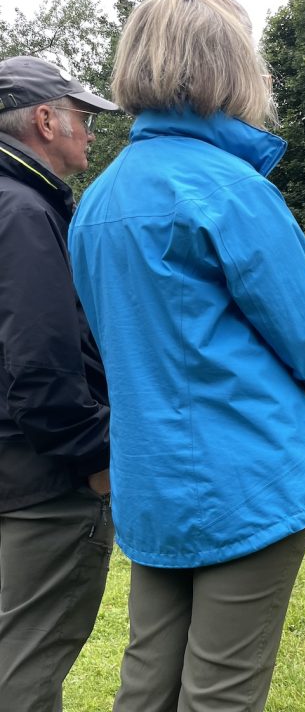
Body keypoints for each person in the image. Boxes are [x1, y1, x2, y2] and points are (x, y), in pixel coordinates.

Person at [67, 0, 305, 711]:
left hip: (153, 480)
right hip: (248, 476)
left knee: (148, 679)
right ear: (228, 69)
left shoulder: (98, 200)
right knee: (223, 690)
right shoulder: (231, 190)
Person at [0, 55, 118, 711]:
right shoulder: (22, 211)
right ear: (45, 120)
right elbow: (42, 366)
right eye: (82, 117)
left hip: (16, 473)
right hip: (46, 484)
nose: (91, 133)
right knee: (26, 667)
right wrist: (95, 460)